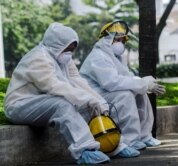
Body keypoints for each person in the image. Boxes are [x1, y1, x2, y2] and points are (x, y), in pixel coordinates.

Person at [4, 22, 114, 165]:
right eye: (68, 48)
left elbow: (77, 80)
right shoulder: (38, 58)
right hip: (19, 106)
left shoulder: (61, 57)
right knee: (62, 104)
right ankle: (85, 151)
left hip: (42, 103)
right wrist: (87, 99)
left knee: (87, 107)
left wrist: (97, 100)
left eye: (72, 49)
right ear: (57, 44)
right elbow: (54, 86)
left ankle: (111, 145)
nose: (70, 53)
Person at [79, 20, 166, 153]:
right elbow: (111, 82)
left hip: (108, 93)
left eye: (123, 40)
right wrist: (142, 83)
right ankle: (128, 141)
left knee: (139, 92)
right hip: (96, 96)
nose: (121, 44)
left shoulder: (117, 58)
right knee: (125, 95)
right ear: (107, 39)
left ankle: (143, 136)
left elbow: (127, 78)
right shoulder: (98, 56)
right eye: (118, 39)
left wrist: (144, 83)